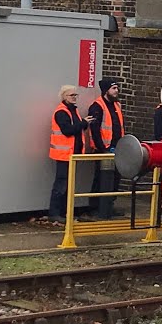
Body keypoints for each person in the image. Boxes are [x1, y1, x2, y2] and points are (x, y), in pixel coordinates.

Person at [49, 85, 93, 225]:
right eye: (71, 95)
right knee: (61, 185)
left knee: (67, 185)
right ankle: (55, 213)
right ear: (64, 97)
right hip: (64, 155)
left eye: (76, 95)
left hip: (72, 154)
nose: (74, 97)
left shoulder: (73, 110)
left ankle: (63, 212)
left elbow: (76, 128)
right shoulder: (61, 112)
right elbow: (68, 130)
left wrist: (84, 123)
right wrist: (83, 123)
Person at [87, 77, 126, 219]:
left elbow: (119, 126)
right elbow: (95, 130)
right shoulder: (97, 106)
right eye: (114, 88)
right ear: (106, 91)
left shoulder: (116, 106)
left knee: (115, 179)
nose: (117, 91)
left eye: (117, 88)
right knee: (101, 179)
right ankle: (95, 207)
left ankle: (109, 206)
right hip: (103, 150)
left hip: (117, 149)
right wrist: (102, 147)